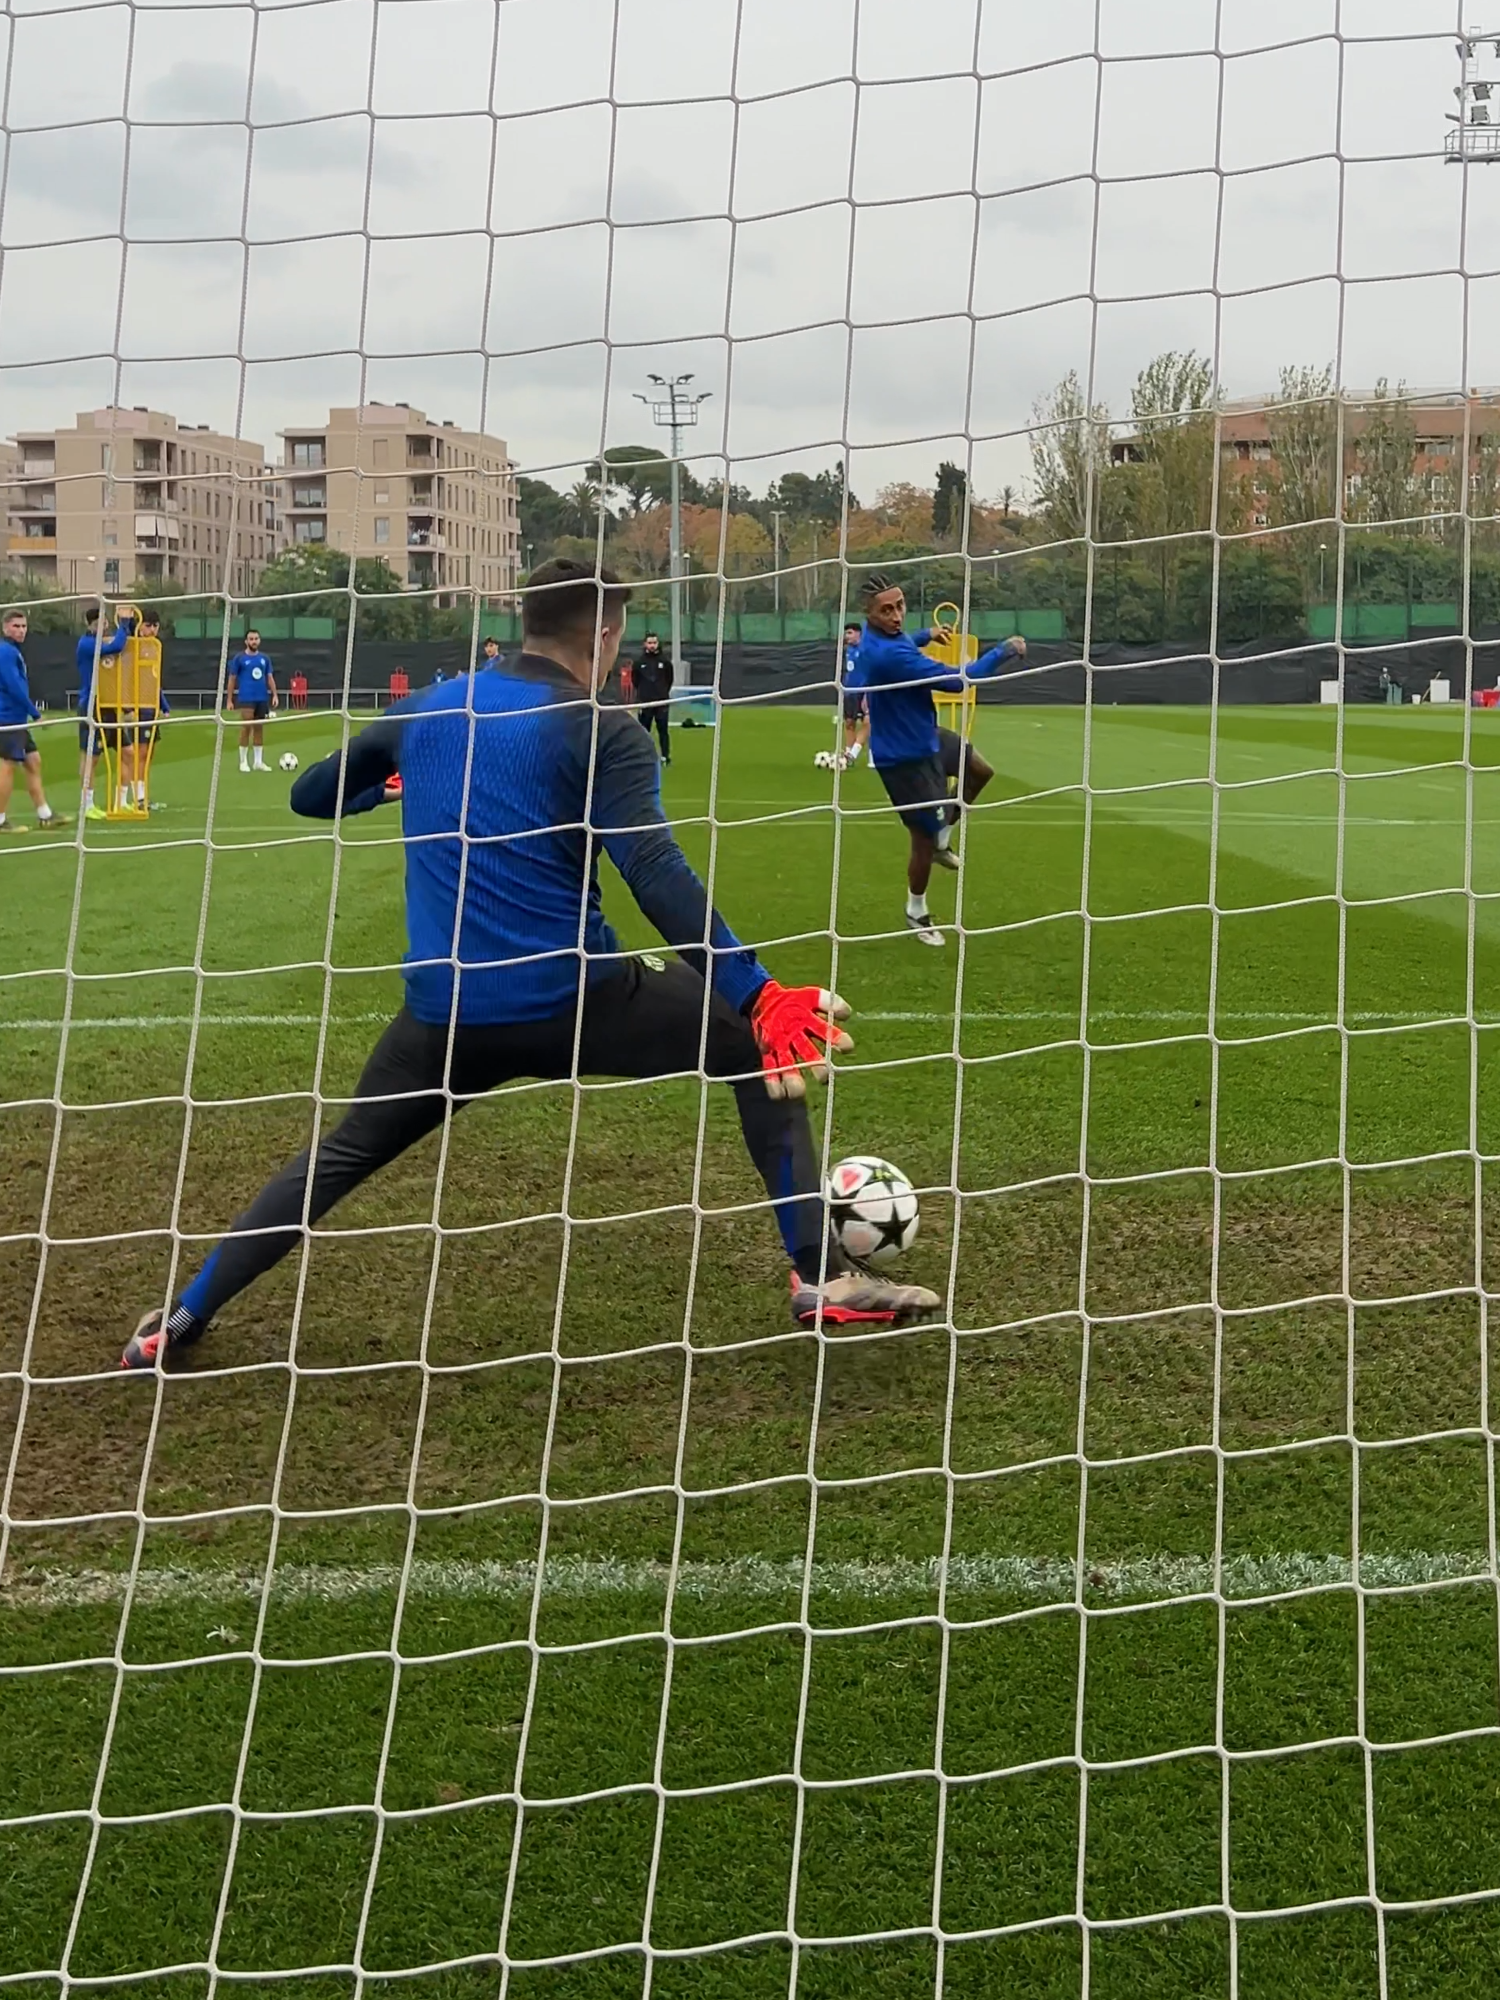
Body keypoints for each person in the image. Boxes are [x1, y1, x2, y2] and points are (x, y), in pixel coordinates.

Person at [120, 558, 937, 1369]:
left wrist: (391, 779)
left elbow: (311, 796)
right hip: (574, 1000)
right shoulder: (599, 723)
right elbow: (655, 874)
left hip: (443, 1021)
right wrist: (756, 994)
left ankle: (183, 1318)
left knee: (338, 1157)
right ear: (608, 633)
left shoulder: (428, 709)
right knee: (750, 1043)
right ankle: (822, 1276)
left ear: (527, 623)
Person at [856, 575, 1024, 947]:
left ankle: (944, 834)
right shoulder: (889, 656)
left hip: (926, 736)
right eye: (886, 610)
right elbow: (961, 681)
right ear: (868, 613)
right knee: (921, 841)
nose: (897, 615)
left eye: (899, 605)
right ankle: (916, 910)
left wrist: (926, 633)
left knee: (980, 770)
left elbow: (904, 637)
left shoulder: (887, 638)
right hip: (903, 759)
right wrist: (1004, 651)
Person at [0, 607, 70, 833]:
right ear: (5, 628)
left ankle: (45, 814)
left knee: (33, 761)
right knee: (7, 766)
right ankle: (0, 821)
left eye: (23, 626)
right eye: (16, 626)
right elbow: (13, 686)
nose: (21, 631)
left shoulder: (12, 651)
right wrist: (36, 713)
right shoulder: (6, 652)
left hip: (16, 717)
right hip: (8, 718)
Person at [75, 605, 132, 822]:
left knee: (128, 752)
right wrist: (123, 624)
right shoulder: (87, 644)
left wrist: (128, 625)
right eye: (100, 622)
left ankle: (122, 801)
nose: (105, 625)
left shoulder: (102, 642)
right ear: (90, 624)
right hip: (92, 704)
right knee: (92, 757)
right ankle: (87, 805)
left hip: (108, 706)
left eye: (106, 621)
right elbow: (118, 645)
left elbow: (122, 643)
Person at [124, 611, 169, 811]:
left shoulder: (154, 648)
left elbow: (153, 681)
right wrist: (127, 707)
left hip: (150, 706)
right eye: (147, 625)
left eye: (154, 626)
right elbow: (125, 679)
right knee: (138, 753)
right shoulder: (133, 647)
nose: (151, 630)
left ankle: (142, 795)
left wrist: (163, 705)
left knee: (148, 753)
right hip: (137, 707)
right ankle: (137, 798)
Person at [227, 630, 277, 772]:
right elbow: (232, 679)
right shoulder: (239, 658)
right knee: (246, 726)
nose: (254, 641)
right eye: (251, 639)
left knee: (259, 728)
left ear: (259, 640)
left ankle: (258, 762)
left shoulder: (264, 658)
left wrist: (274, 694)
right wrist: (229, 699)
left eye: (256, 638)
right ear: (246, 641)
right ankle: (243, 761)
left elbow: (269, 677)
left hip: (261, 697)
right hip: (246, 697)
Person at [632, 631, 673, 763]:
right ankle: (644, 756)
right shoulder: (639, 662)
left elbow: (669, 679)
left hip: (661, 701)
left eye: (654, 642)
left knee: (663, 730)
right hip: (645, 702)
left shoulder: (665, 661)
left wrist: (662, 693)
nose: (652, 645)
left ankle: (665, 756)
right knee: (644, 731)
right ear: (645, 644)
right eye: (650, 643)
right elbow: (635, 680)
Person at [840, 622, 868, 766]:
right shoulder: (847, 649)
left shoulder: (866, 649)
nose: (847, 636)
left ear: (858, 634)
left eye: (850, 633)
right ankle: (847, 755)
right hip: (849, 691)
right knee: (849, 723)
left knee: (868, 722)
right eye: (846, 633)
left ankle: (854, 753)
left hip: (864, 691)